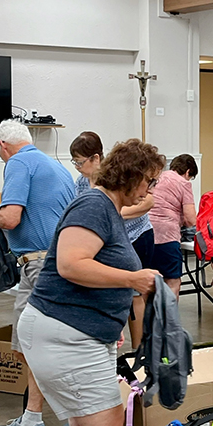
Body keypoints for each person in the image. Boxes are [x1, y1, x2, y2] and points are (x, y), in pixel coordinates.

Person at [17, 138, 161, 426]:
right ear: (131, 175)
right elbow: (70, 264)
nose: (149, 190)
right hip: (65, 333)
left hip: (77, 334)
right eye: (149, 181)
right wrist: (132, 279)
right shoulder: (93, 207)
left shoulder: (106, 209)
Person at [0, 120, 75, 426]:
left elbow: (10, 218)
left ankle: (34, 420)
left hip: (38, 264)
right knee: (49, 340)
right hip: (63, 260)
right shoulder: (55, 167)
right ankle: (68, 416)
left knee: (27, 342)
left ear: (2, 146)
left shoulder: (18, 162)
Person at [71, 131, 156, 350]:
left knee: (135, 293)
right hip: (107, 243)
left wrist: (113, 215)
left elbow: (147, 203)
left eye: (80, 161)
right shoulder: (82, 183)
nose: (78, 167)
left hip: (136, 236)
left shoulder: (116, 179)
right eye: (75, 162)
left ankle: (139, 350)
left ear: (96, 158)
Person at [148, 153, 197, 298]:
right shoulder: (184, 183)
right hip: (166, 236)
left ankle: (146, 319)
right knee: (172, 280)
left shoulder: (157, 176)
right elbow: (190, 220)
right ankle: (168, 318)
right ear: (188, 171)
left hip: (145, 233)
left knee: (148, 279)